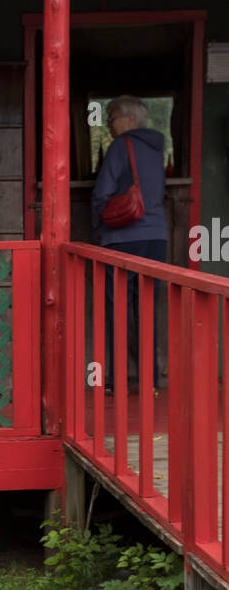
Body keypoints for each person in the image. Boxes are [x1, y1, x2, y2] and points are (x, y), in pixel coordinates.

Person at [90, 95, 167, 392]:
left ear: (129, 120)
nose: (109, 125)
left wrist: (99, 229)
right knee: (148, 309)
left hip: (123, 238)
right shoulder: (156, 148)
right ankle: (150, 379)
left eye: (112, 118)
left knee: (118, 311)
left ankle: (117, 380)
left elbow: (103, 193)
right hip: (156, 236)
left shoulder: (121, 147)